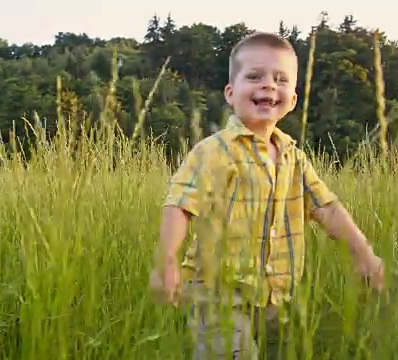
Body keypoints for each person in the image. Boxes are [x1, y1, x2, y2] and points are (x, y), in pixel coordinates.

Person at [149, 31, 385, 359]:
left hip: (278, 296)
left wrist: (362, 252)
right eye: (255, 76)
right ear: (231, 93)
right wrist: (168, 259)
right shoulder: (214, 152)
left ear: (292, 100)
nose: (268, 85)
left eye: (280, 79)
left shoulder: (293, 157)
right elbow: (180, 204)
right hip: (217, 294)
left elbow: (326, 207)